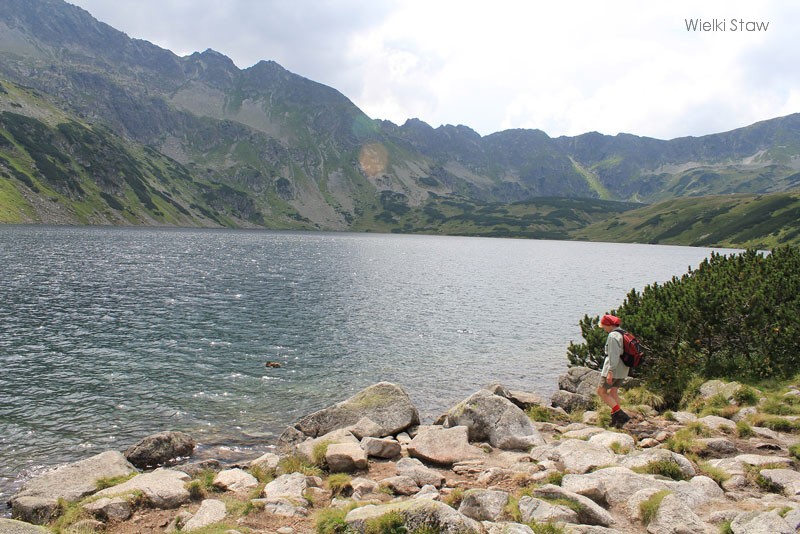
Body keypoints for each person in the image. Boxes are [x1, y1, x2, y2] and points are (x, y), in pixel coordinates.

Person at [596, 314, 631, 428]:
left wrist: (610, 372)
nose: (604, 329)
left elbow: (613, 355)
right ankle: (616, 421)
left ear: (609, 325)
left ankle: (621, 415)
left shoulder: (612, 336)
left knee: (601, 392)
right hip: (623, 369)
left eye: (604, 327)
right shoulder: (623, 333)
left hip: (613, 369)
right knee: (613, 392)